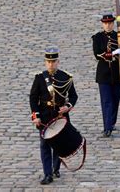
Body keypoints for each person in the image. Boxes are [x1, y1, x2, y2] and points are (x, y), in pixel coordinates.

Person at [29, 48, 78, 185]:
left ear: (58, 62)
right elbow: (33, 98)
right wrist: (36, 116)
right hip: (44, 115)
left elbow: (73, 96)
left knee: (58, 143)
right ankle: (47, 174)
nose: (51, 64)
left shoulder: (66, 77)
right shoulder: (40, 78)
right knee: (44, 144)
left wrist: (67, 106)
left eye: (53, 61)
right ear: (45, 62)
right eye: (48, 61)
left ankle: (55, 168)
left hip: (60, 115)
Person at [92, 14, 120, 138]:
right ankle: (107, 127)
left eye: (110, 23)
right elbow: (97, 54)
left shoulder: (119, 37)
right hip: (104, 74)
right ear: (102, 24)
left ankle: (112, 121)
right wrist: (112, 54)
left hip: (118, 73)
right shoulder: (98, 37)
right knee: (106, 101)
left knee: (115, 100)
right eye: (105, 23)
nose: (108, 25)